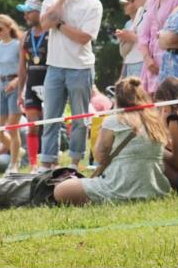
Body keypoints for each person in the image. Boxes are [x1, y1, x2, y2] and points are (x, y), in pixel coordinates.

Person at [52, 77, 170, 205]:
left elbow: (99, 157)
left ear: (117, 99)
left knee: (61, 190)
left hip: (118, 187)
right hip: (155, 190)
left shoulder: (113, 121)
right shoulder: (155, 121)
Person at [38, 0, 104, 171]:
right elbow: (44, 24)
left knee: (79, 119)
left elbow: (84, 37)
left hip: (80, 68)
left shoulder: (93, 4)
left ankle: (75, 163)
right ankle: (47, 162)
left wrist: (60, 25)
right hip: (55, 66)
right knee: (50, 118)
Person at [0, 14, 24, 174]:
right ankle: (18, 151)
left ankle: (14, 163)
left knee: (13, 128)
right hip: (1, 86)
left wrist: (16, 82)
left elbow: (24, 68)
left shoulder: (17, 44)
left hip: (15, 85)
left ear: (9, 27)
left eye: (0, 28)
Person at [137, 0, 178, 95]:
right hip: (151, 62)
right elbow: (143, 34)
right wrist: (147, 58)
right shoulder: (152, 1)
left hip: (171, 59)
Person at [16, 0, 49, 169]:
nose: (25, 15)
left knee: (51, 123)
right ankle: (33, 164)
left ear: (39, 12)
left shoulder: (51, 32)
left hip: (50, 82)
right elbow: (22, 68)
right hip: (32, 86)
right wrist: (19, 93)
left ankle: (50, 159)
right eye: (25, 12)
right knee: (32, 126)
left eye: (28, 11)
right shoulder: (25, 37)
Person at [114, 0, 150, 79]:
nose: (131, 3)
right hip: (134, 63)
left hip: (145, 63)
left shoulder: (153, 8)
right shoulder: (140, 11)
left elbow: (156, 41)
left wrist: (132, 37)